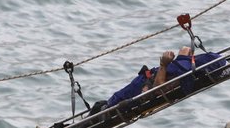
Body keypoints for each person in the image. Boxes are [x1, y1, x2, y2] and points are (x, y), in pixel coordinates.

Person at [92, 46, 222, 113]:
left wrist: (163, 65)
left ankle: (78, 127)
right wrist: (184, 56)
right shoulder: (188, 64)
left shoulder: (186, 72)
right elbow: (186, 51)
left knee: (104, 108)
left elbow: (159, 89)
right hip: (141, 83)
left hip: (139, 90)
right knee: (104, 105)